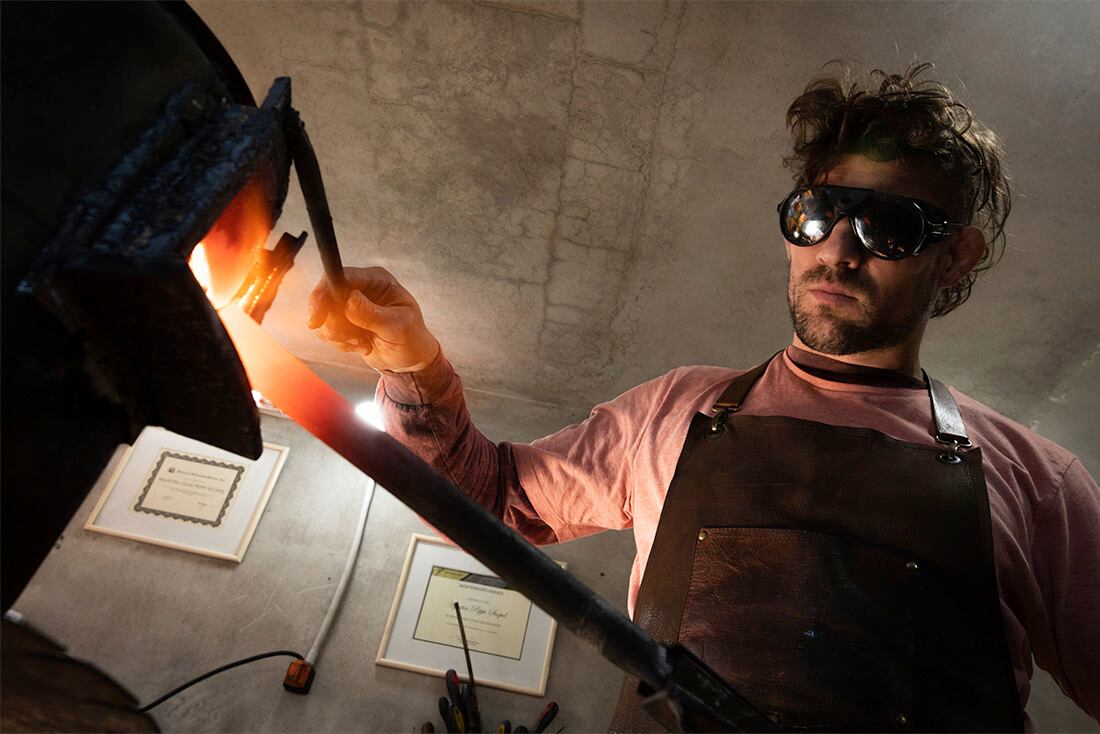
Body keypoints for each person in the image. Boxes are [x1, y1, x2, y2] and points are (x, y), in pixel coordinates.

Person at [308, 63, 1099, 730]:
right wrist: (414, 363)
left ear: (957, 255)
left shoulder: (1037, 483)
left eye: (888, 225)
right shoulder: (674, 410)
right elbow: (489, 501)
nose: (837, 249)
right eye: (818, 213)